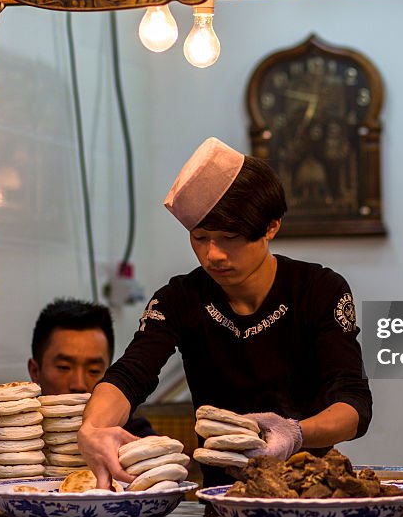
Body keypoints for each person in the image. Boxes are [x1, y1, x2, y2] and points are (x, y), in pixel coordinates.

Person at [77, 137, 372, 489]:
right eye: (200, 238)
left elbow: (354, 405)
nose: (213, 255)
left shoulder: (319, 289)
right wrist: (92, 429)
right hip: (221, 496)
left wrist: (294, 433)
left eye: (229, 237)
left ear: (271, 227)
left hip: (311, 489)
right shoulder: (179, 299)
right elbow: (130, 374)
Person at [28, 297, 154, 437]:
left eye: (94, 371)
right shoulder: (15, 437)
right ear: (35, 371)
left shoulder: (131, 437)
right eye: (64, 367)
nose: (79, 385)